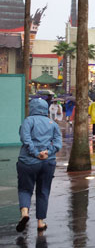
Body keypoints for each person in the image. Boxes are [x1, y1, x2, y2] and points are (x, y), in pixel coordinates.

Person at [16, 98, 62, 232]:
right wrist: (47, 152)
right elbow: (58, 142)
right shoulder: (52, 123)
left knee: (25, 189)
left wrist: (36, 153)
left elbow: (25, 139)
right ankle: (41, 222)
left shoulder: (28, 121)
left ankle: (25, 213)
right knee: (43, 191)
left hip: (28, 162)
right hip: (48, 162)